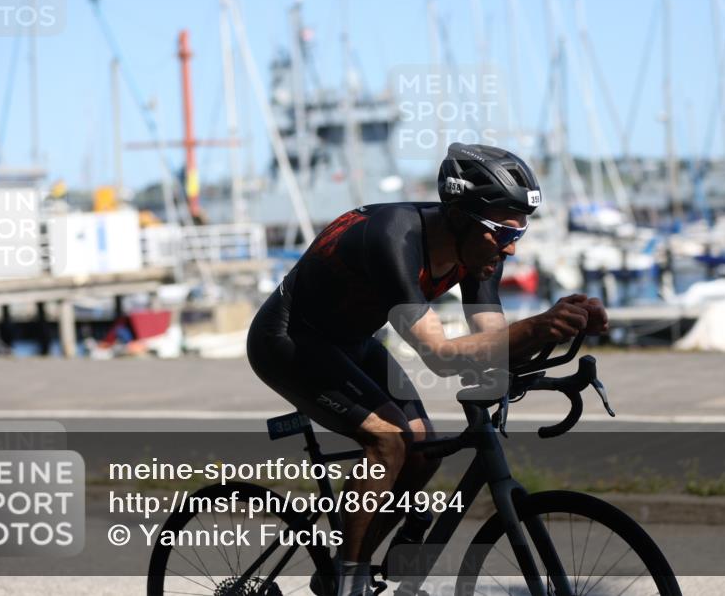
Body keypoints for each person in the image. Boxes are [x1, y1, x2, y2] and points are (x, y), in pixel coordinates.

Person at [247, 143, 608, 596]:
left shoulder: (483, 249)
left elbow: (491, 347)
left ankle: (345, 569)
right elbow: (438, 355)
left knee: (423, 449)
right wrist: (536, 326)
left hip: (353, 342)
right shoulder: (393, 239)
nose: (511, 247)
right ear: (458, 215)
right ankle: (350, 583)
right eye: (502, 232)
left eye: (520, 232)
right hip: (287, 340)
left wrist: (554, 338)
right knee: (388, 439)